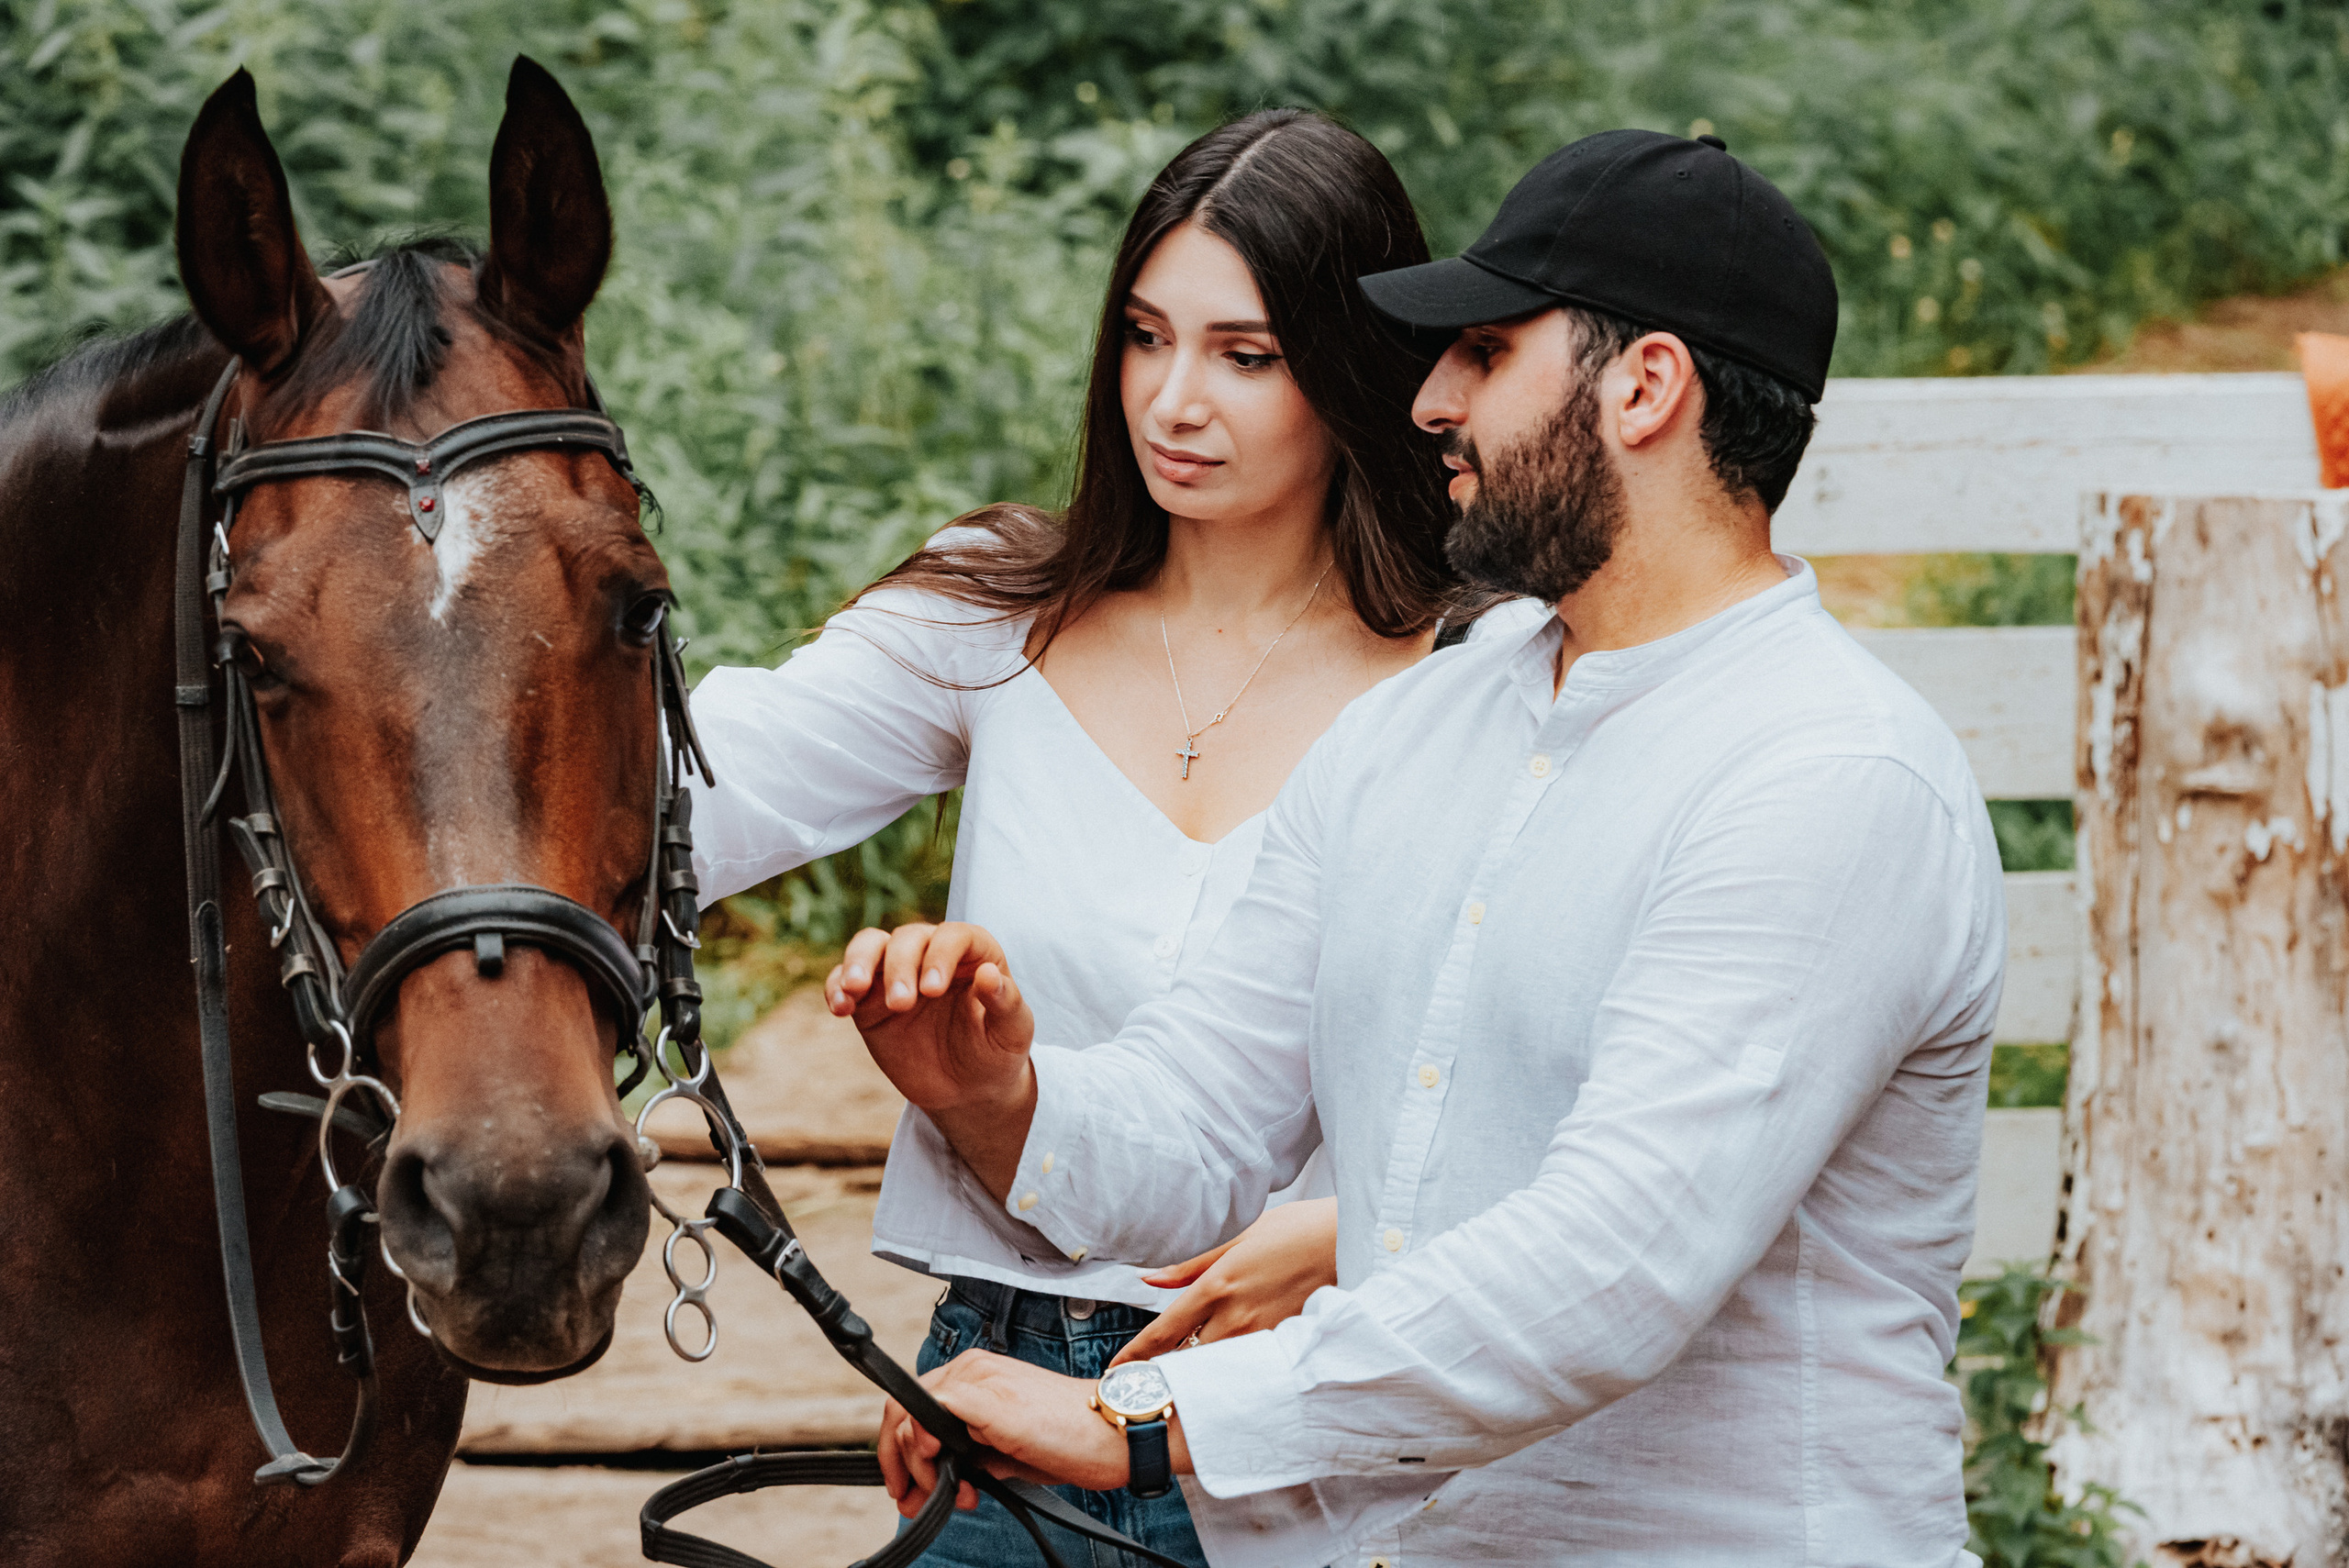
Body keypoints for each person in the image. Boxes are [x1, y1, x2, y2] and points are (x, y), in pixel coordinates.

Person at [831, 128, 2007, 1567]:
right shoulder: (1420, 729)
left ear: (1646, 387)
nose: (1433, 399)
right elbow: (1207, 1116)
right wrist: (1001, 1093)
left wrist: (1142, 1417)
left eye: (1488, 352)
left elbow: (1613, 1259)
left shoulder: (1827, 776)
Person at [685, 109, 1504, 1567]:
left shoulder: (1475, 687)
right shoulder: (996, 619)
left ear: (1347, 366)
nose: (1174, 400)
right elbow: (685, 793)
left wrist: (1365, 1228)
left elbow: (1561, 1077)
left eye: (1244, 355)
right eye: (1144, 336)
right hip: (1004, 1386)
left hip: (1325, 1420)